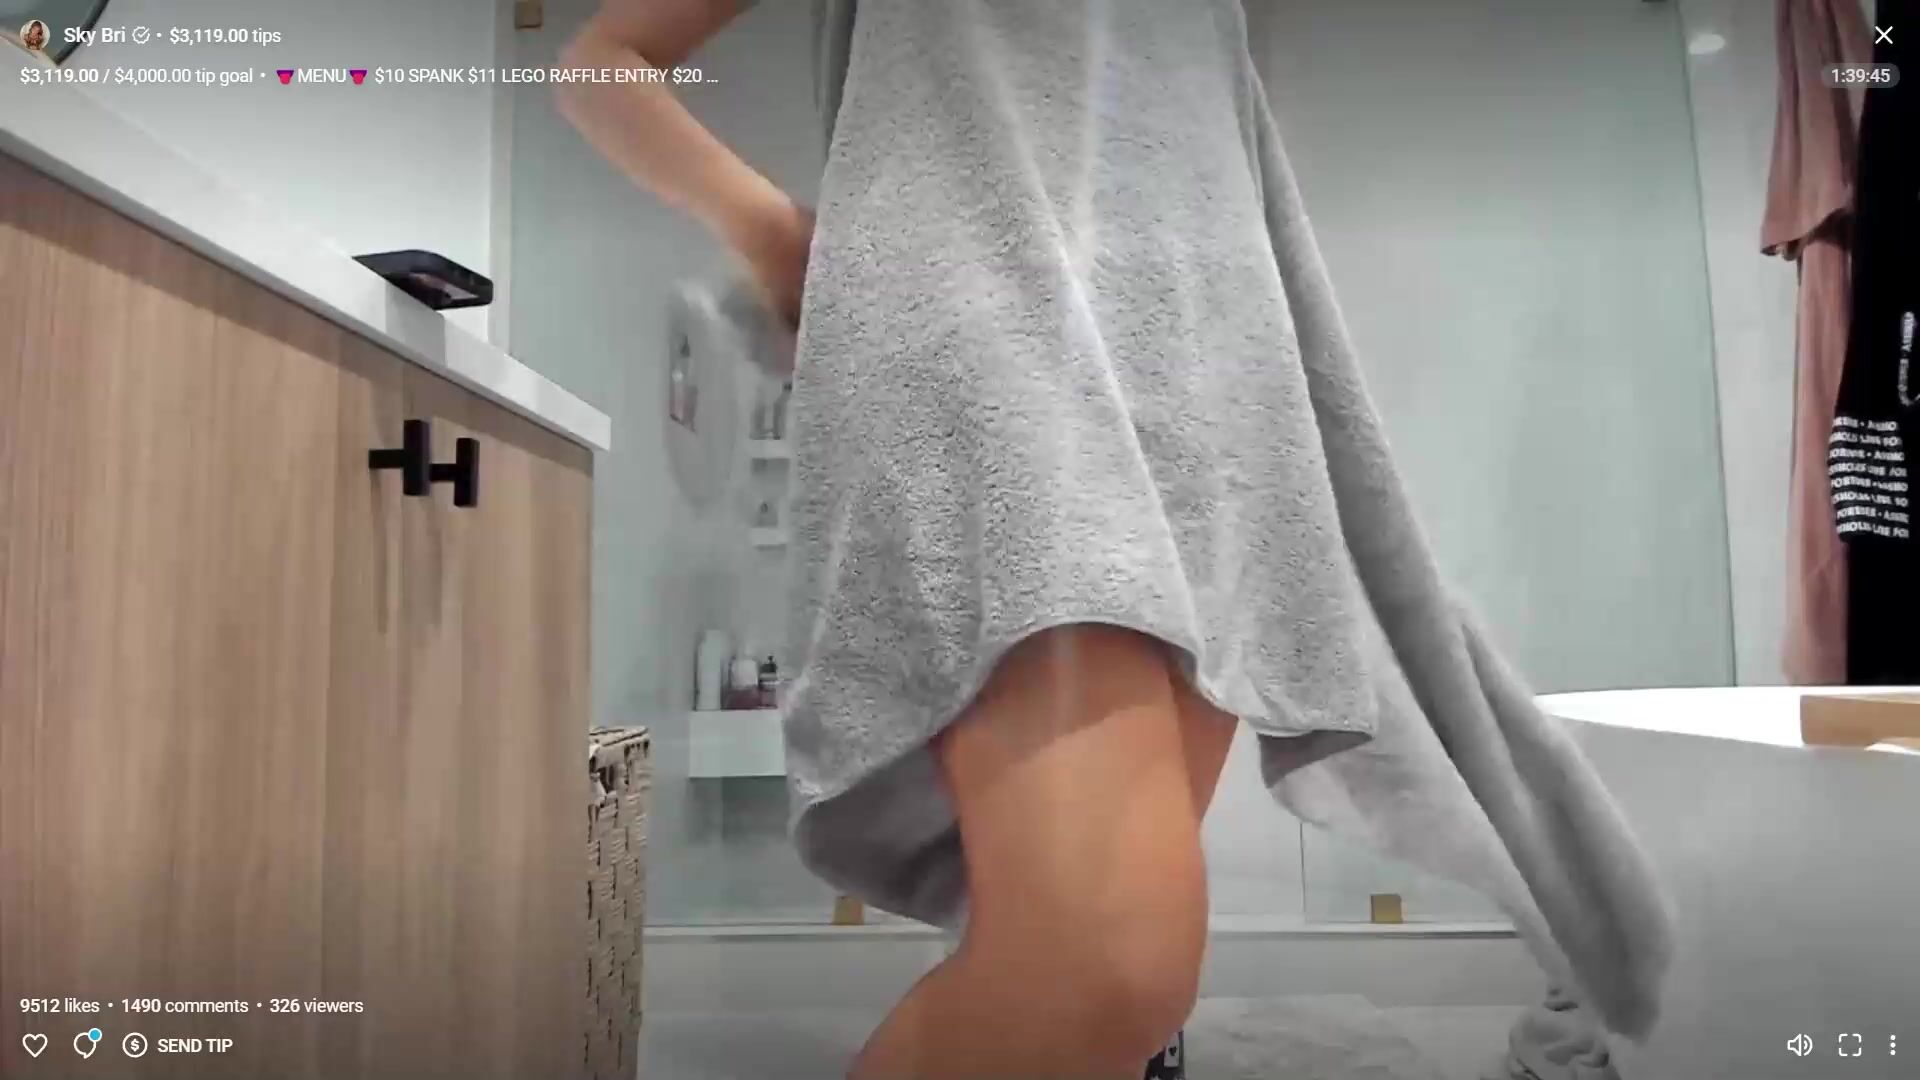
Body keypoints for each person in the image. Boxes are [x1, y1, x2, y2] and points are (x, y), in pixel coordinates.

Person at [557, 2, 1665, 1079]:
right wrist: (777, 236)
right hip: (988, 340)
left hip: (1201, 380)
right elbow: (603, 60)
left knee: (1082, 984)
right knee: (1102, 971)